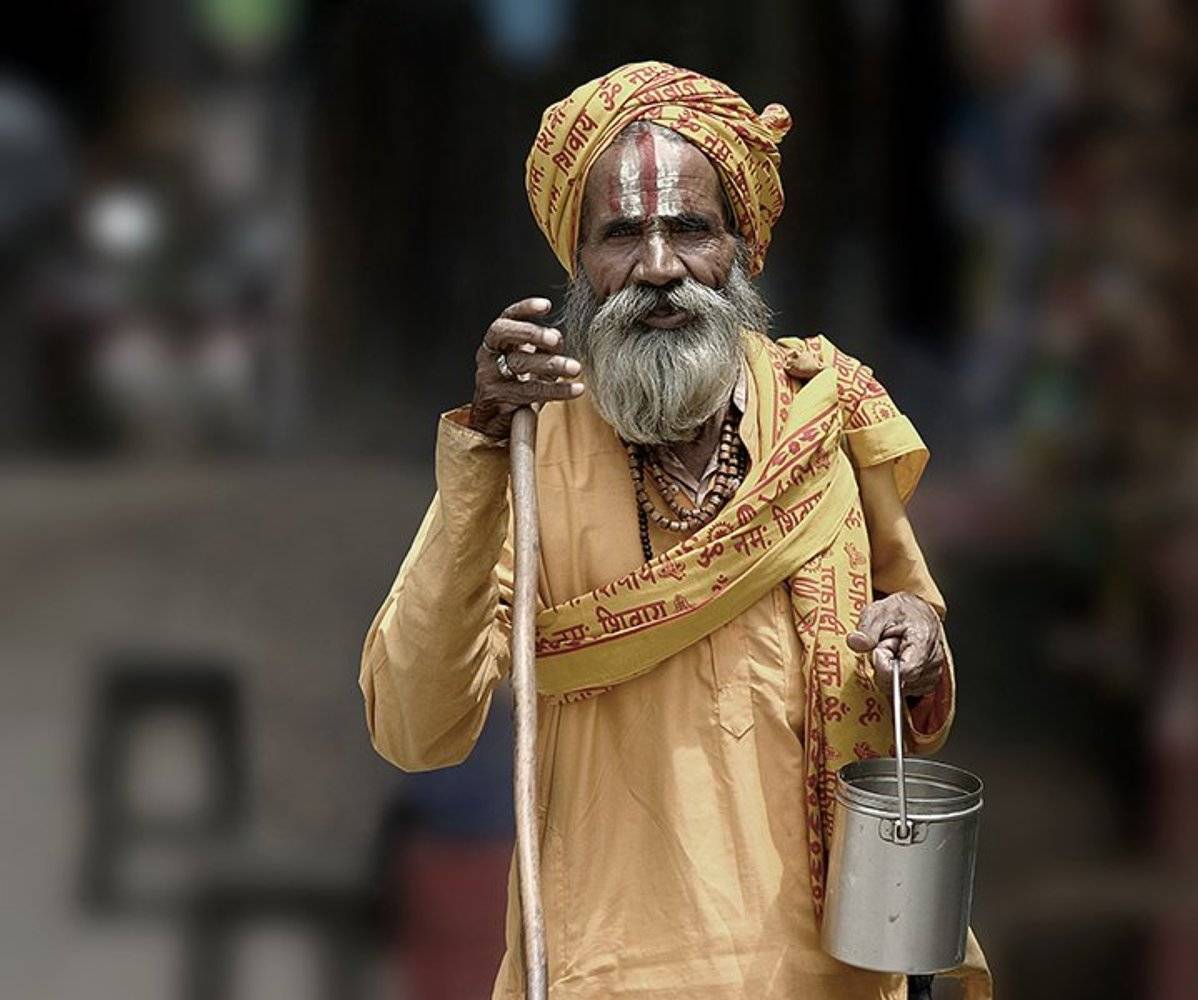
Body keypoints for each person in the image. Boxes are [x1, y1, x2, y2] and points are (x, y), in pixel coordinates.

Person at [359, 61, 989, 999]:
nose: (658, 267)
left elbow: (914, 661)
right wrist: (482, 457)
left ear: (742, 247)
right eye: (622, 234)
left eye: (690, 229)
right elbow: (413, 727)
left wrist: (921, 645)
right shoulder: (530, 459)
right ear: (581, 263)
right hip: (605, 972)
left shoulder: (831, 417)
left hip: (824, 973)